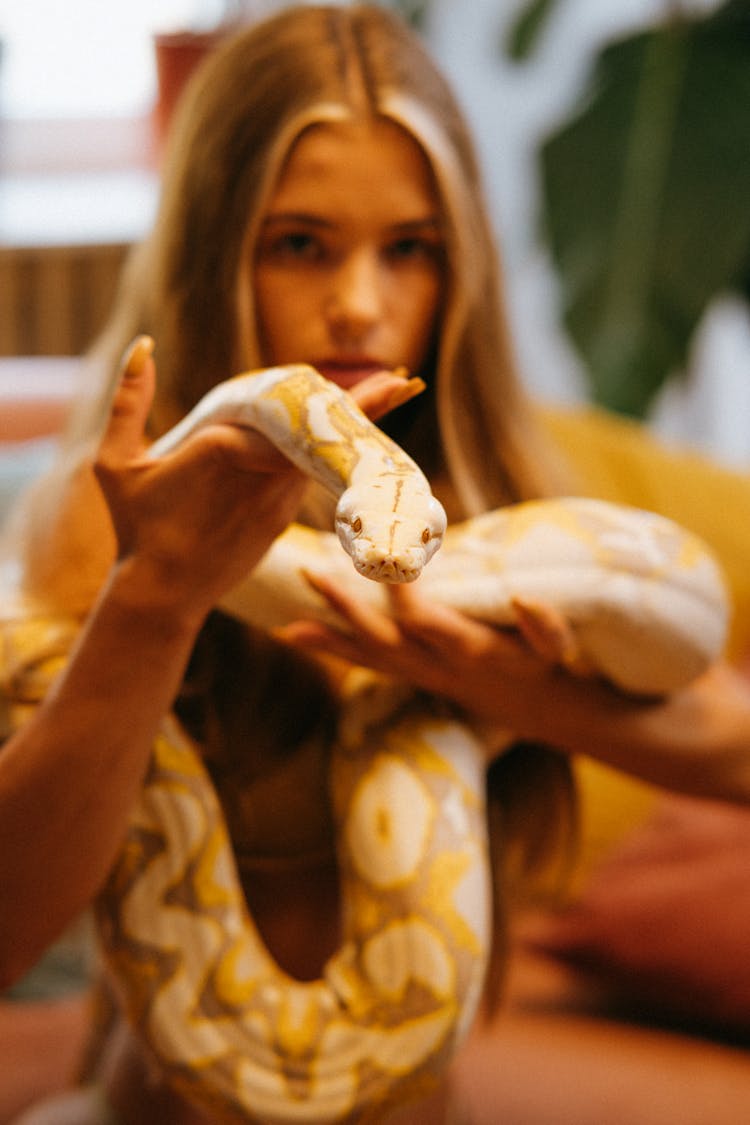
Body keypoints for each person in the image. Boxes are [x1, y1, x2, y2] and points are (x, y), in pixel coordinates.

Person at [3, 4, 750, 1122]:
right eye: (300, 243)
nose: (361, 302)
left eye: (411, 248)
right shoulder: (116, 517)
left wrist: (523, 694)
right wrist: (154, 599)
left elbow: (730, 748)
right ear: (217, 254)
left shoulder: (509, 499)